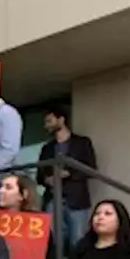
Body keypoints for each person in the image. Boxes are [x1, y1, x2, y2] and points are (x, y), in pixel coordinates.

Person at [37, 104, 97, 250]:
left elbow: (91, 169)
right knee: (53, 242)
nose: (46, 126)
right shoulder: (47, 148)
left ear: (61, 120)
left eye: (49, 121)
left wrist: (68, 173)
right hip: (52, 199)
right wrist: (47, 180)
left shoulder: (82, 143)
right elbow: (39, 175)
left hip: (77, 200)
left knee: (77, 241)